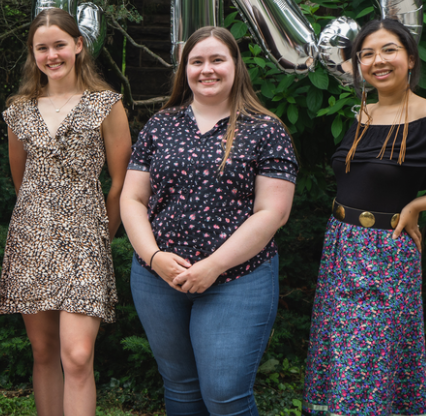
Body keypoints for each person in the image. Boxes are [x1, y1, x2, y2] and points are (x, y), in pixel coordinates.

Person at [303, 18, 426, 416]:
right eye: (367, 54)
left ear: (410, 58)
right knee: (341, 359)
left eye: (389, 50)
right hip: (341, 250)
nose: (378, 60)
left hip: (385, 255)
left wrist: (415, 206)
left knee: (366, 366)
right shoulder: (363, 113)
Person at [120, 26, 298, 416]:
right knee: (181, 390)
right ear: (185, 69)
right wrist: (153, 257)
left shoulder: (265, 130)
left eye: (217, 59)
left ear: (236, 65)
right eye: (196, 61)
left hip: (238, 277)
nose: (207, 69)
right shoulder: (160, 125)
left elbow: (273, 212)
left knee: (224, 395)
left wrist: (213, 266)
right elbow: (132, 198)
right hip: (158, 277)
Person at [0, 8, 132, 416]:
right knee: (43, 351)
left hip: (86, 242)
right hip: (31, 239)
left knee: (76, 355)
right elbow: (21, 181)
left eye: (59, 45)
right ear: (33, 54)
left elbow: (119, 183)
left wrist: (98, 236)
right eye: (42, 48)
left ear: (78, 45)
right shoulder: (19, 110)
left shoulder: (106, 105)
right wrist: (41, 222)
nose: (51, 55)